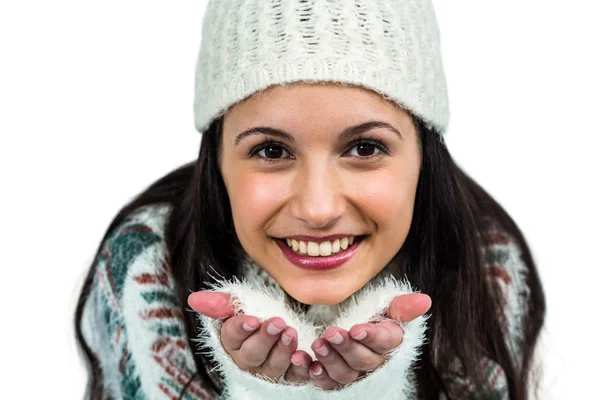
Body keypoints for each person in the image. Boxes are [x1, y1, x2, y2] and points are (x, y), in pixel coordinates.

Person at [74, 0, 546, 399]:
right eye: (271, 150)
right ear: (215, 162)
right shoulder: (147, 270)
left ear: (425, 156)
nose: (318, 209)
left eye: (365, 148)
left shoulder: (488, 276)